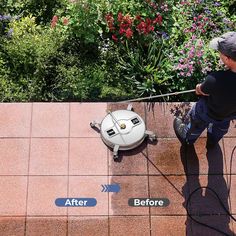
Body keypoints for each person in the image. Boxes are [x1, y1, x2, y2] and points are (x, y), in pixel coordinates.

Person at [174, 31, 236, 148]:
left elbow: (201, 91)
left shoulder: (215, 79)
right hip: (228, 114)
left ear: (227, 59)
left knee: (196, 123)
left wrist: (198, 87)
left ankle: (187, 138)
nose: (219, 55)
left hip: (207, 111)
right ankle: (212, 141)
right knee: (220, 128)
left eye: (220, 53)